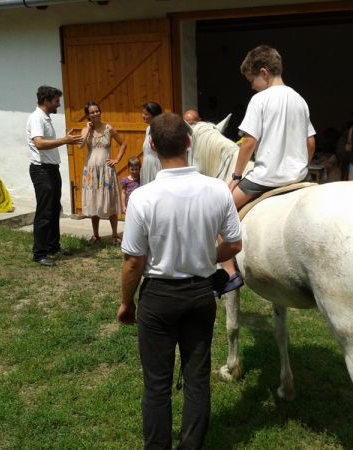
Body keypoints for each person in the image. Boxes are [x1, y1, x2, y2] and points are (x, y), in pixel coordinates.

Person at [118, 112, 242, 450]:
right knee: (197, 379)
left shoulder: (143, 197)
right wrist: (206, 256)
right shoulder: (218, 190)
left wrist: (127, 303)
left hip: (158, 297)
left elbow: (133, 262)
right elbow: (233, 244)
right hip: (201, 294)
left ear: (154, 147)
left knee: (156, 384)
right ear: (189, 142)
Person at [224, 44, 316, 291]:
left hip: (267, 178)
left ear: (263, 73)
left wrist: (236, 175)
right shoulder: (299, 99)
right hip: (298, 176)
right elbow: (310, 142)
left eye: (252, 79)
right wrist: (300, 166)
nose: (251, 85)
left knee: (221, 210)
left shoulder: (260, 99)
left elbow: (249, 142)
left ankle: (229, 271)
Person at [26, 85, 83, 267]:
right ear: (46, 100)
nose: (59, 104)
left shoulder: (46, 118)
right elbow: (40, 144)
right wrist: (65, 141)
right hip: (41, 170)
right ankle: (39, 253)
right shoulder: (36, 118)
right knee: (44, 212)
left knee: (53, 208)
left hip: (51, 169)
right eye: (56, 101)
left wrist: (64, 139)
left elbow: (46, 142)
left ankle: (53, 247)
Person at [80, 101, 126, 244]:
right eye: (92, 112)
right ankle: (95, 235)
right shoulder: (85, 130)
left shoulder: (108, 128)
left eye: (97, 111)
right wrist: (88, 129)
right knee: (94, 202)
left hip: (106, 170)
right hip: (91, 170)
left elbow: (123, 143)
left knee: (111, 201)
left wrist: (117, 159)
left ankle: (114, 235)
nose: (95, 114)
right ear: (87, 115)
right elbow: (80, 145)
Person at [140, 102, 163, 185]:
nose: (143, 116)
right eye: (143, 113)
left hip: (156, 166)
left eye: (146, 114)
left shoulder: (160, 129)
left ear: (154, 115)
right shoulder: (148, 129)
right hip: (147, 165)